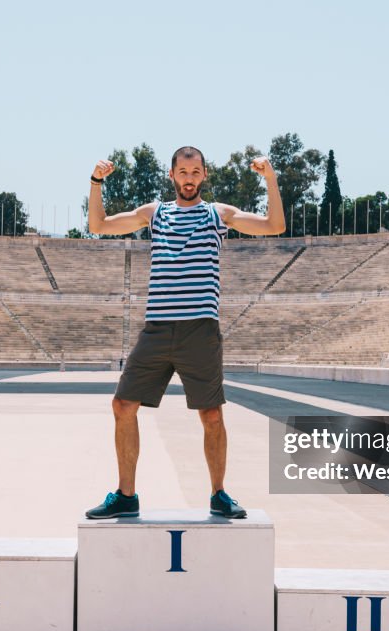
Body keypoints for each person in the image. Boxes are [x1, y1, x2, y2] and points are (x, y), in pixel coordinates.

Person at [83, 146, 285, 519]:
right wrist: (96, 182)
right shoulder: (155, 213)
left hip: (200, 330)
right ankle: (126, 495)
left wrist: (270, 179)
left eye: (195, 172)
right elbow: (99, 226)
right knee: (122, 405)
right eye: (183, 172)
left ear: (204, 175)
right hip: (157, 327)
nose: (189, 178)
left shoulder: (216, 214)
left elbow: (274, 226)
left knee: (211, 414)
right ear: (172, 175)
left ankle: (219, 494)